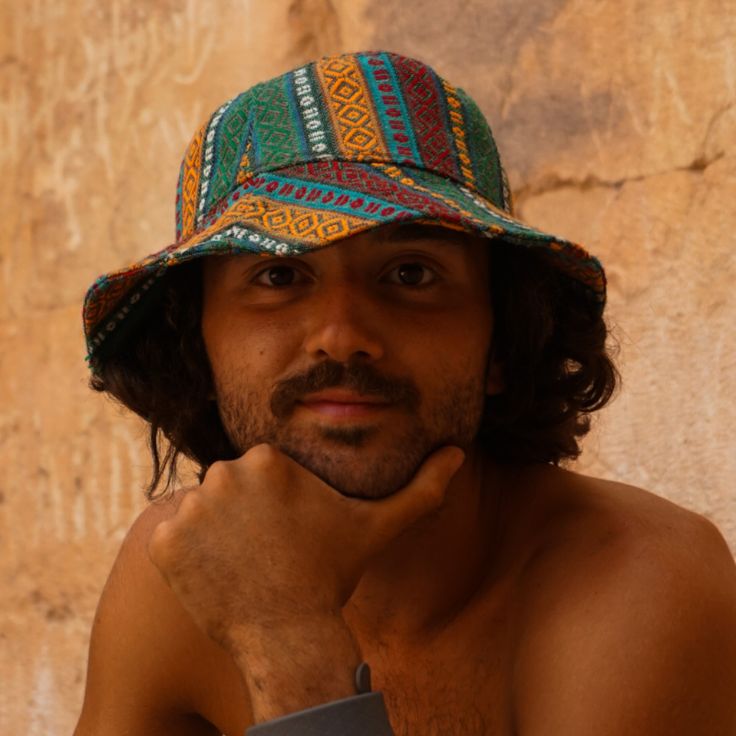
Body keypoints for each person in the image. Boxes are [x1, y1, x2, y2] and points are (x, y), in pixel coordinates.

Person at [73, 51, 736, 736]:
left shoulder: (639, 580)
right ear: (199, 347)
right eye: (278, 276)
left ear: (502, 342)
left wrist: (290, 644)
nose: (341, 337)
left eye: (411, 274)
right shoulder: (177, 572)